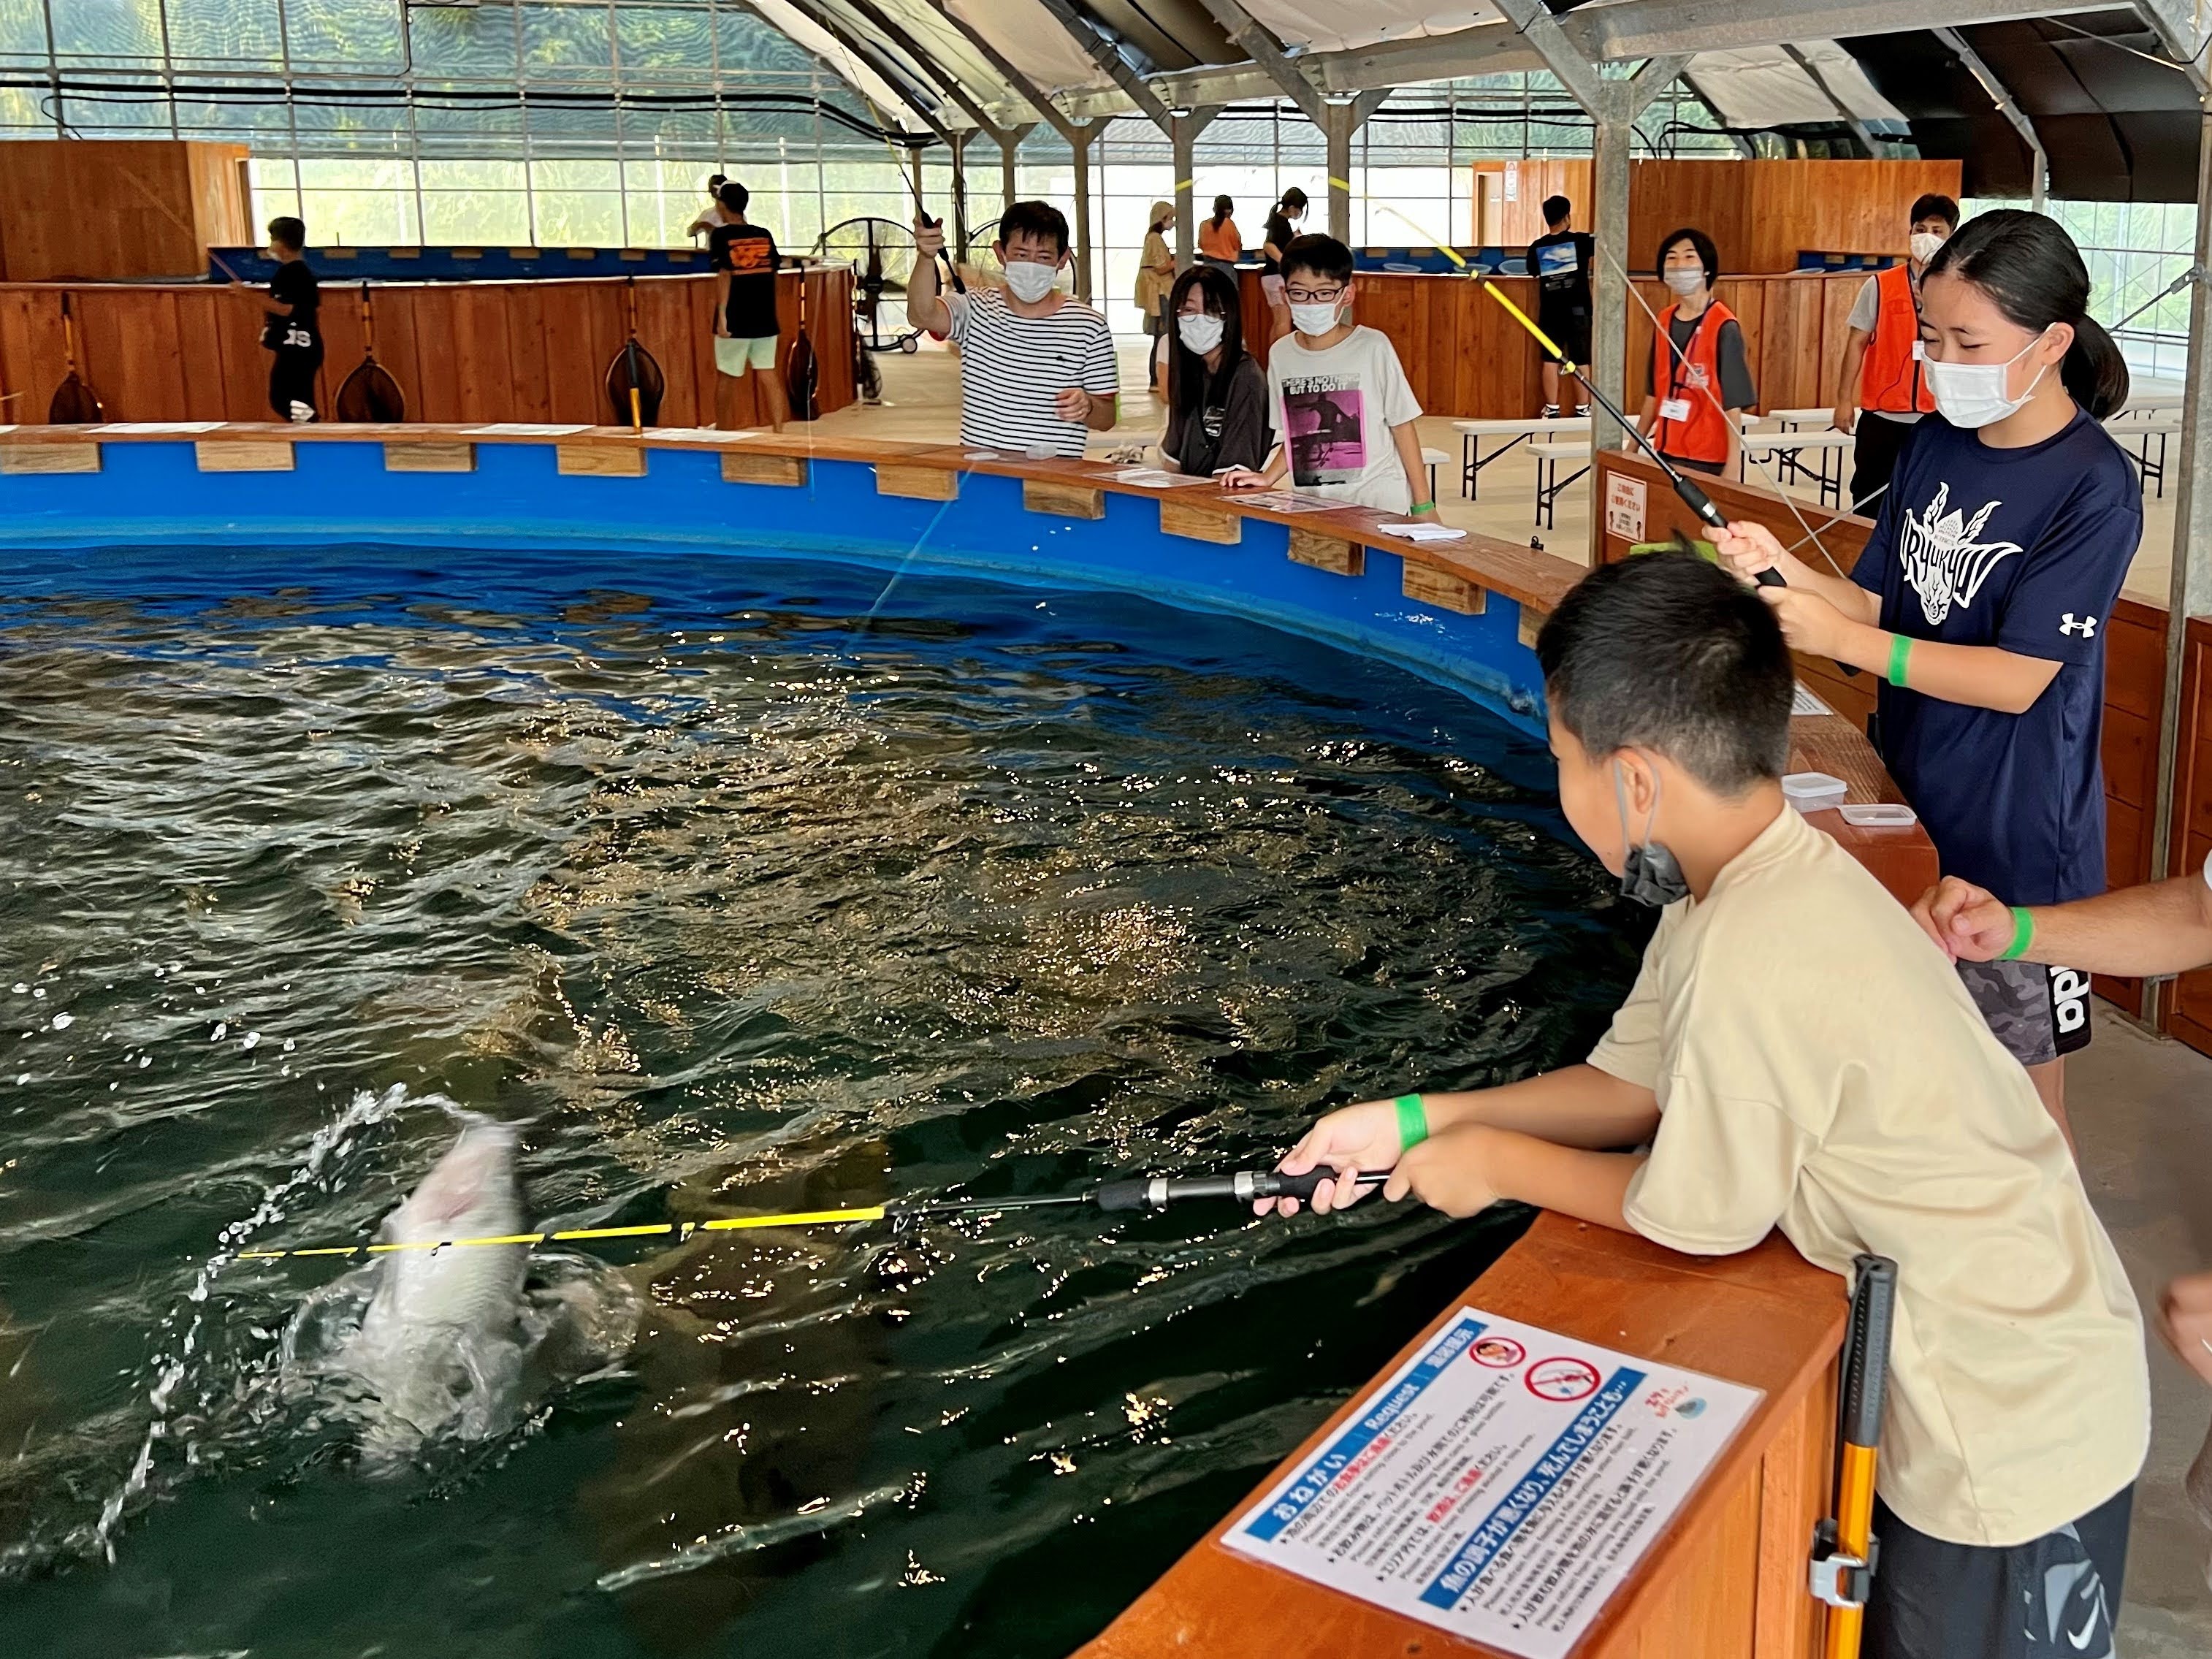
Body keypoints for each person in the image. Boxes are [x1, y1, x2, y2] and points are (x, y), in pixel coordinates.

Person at [1262, 550, 2149, 1659]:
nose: (1561, 786)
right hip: (2022, 1370)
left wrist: (1495, 1163)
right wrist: (1415, 1121)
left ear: (1635, 780)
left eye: (1562, 760)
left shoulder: (1753, 946)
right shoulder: (1748, 876)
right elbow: (1629, 1088)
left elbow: (1700, 1214)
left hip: (2007, 1430)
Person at [1713, 210, 2139, 1143]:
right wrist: (1783, 572)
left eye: (1968, 341)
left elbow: (2019, 679)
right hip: (1910, 802)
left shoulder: (2091, 485)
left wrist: (1843, 639)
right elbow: (1880, 605)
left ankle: (2046, 1288)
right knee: (1910, 1070)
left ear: (2052, 341)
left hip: (2020, 841)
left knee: (2024, 1106)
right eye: (1933, 335)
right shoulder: (1935, 442)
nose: (1941, 360)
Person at [1221, 233, 1435, 519]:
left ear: (1347, 295)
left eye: (1324, 293)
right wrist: (1267, 477)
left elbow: (1402, 427)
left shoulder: (1373, 346)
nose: (1311, 303)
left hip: (1379, 504)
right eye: (1299, 293)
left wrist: (1423, 506)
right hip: (1315, 506)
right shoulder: (1281, 354)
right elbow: (1296, 434)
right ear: (1285, 294)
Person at [907, 201, 1118, 458]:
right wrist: (926, 257)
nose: (1031, 265)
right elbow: (921, 315)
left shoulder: (1090, 326)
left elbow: (1107, 419)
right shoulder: (973, 306)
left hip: (1055, 475)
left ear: (1063, 259)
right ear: (1001, 253)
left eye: (1043, 257)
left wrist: (1087, 406)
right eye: (1021, 254)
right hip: (982, 472)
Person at [1834, 193, 1962, 510]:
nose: (1926, 238)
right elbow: (1856, 343)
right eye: (1920, 229)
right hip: (1882, 416)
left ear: (1951, 237)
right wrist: (1842, 401)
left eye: (1937, 231)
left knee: (1927, 501)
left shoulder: (1961, 290)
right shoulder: (1880, 285)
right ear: (1909, 234)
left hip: (1937, 416)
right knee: (1869, 498)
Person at [1632, 227, 1753, 478]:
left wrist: (1733, 465)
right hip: (1666, 451)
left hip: (1708, 457)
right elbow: (1654, 394)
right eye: (1671, 258)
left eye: (1689, 257)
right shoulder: (1664, 321)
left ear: (1706, 268)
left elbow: (1734, 406)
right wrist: (1633, 447)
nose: (1679, 265)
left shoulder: (1724, 326)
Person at [1159, 264, 1269, 478]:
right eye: (1189, 310)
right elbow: (1173, 463)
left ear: (1229, 316)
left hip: (1222, 498)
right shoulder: (1190, 368)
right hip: (1191, 493)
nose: (1200, 320)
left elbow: (1233, 475)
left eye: (1211, 310)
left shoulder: (1246, 377)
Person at [707, 180, 788, 433]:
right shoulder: (763, 234)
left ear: (722, 205)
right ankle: (778, 431)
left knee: (727, 376)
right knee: (768, 373)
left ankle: (722, 430)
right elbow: (775, 272)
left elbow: (725, 275)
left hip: (735, 317)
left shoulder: (720, 236)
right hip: (764, 317)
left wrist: (722, 316)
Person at [232, 216, 321, 423]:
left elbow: (287, 309)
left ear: (282, 244)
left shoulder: (295, 274)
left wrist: (247, 295)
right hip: (297, 346)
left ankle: (313, 429)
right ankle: (310, 429)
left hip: (300, 348)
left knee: (285, 398)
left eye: (273, 239)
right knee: (287, 398)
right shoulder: (292, 273)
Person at [1526, 194, 1593, 418]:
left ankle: (1552, 408)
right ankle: (1583, 408)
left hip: (1550, 312)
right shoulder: (1582, 241)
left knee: (1550, 359)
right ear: (1567, 217)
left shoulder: (1537, 246)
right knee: (1581, 358)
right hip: (1579, 311)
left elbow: (1532, 271)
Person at [1135, 199, 1176, 393]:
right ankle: (1157, 379)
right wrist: (1178, 260)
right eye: (1170, 218)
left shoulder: (1152, 238)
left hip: (1160, 292)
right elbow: (1161, 268)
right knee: (1164, 336)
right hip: (1162, 293)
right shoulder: (1155, 239)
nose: (1173, 222)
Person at [1259, 186, 1308, 343]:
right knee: (1284, 321)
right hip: (1277, 277)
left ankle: (1273, 360)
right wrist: (1284, 262)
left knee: (1278, 321)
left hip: (1270, 277)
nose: (1300, 213)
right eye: (1300, 209)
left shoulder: (1279, 222)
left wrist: (1294, 238)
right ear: (1293, 208)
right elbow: (1269, 245)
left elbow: (1276, 243)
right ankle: (1281, 359)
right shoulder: (1280, 223)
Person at [1198, 195, 1241, 279]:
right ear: (1230, 210)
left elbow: (1201, 245)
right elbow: (1237, 245)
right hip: (1225, 267)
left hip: (1207, 266)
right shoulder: (1229, 224)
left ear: (1214, 209)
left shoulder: (1204, 225)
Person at [684, 173, 729, 240]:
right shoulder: (707, 213)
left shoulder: (736, 214)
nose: (713, 191)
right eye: (712, 189)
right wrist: (697, 226)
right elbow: (689, 233)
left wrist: (711, 228)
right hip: (710, 250)